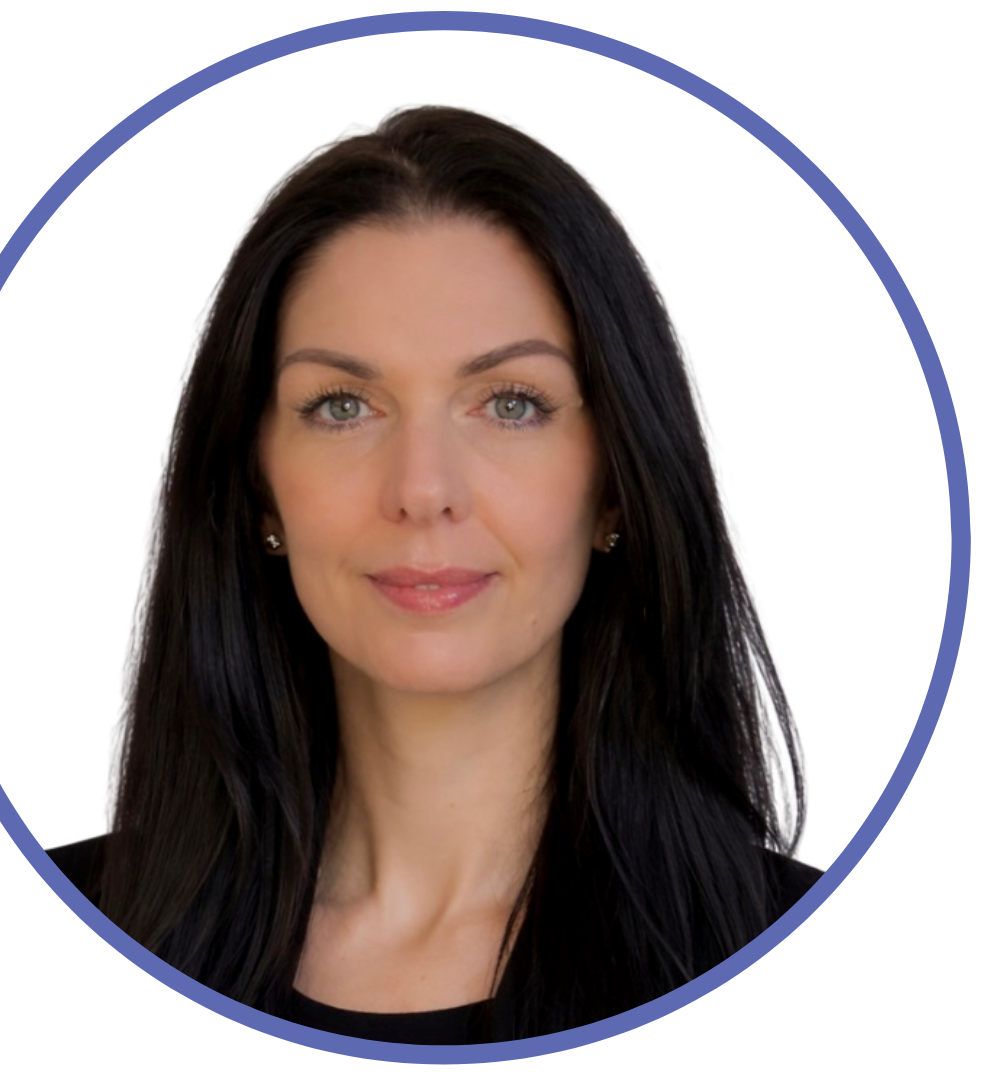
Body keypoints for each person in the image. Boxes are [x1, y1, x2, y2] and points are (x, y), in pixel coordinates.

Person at [48, 105, 821, 1045]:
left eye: (511, 403)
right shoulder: (31, 940)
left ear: (617, 485)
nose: (422, 491)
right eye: (343, 406)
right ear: (257, 487)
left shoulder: (820, 965)